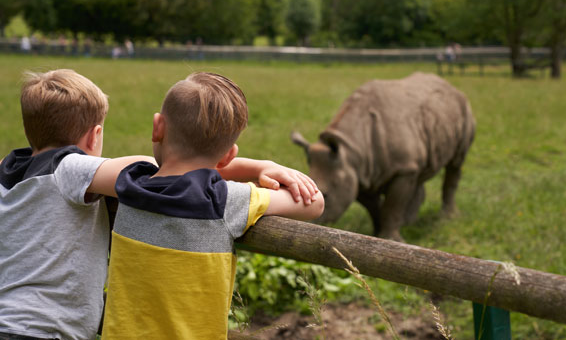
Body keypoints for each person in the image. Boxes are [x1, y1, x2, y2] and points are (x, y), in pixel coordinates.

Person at [0, 70, 318, 340]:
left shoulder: (7, 171)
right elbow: (153, 168)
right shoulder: (71, 168)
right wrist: (253, 167)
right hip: (46, 329)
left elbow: (169, 169)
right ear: (93, 137)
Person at [101, 73, 325, 339]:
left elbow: (151, 164)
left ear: (157, 128)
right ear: (229, 155)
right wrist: (265, 167)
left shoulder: (128, 183)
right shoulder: (224, 201)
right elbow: (314, 203)